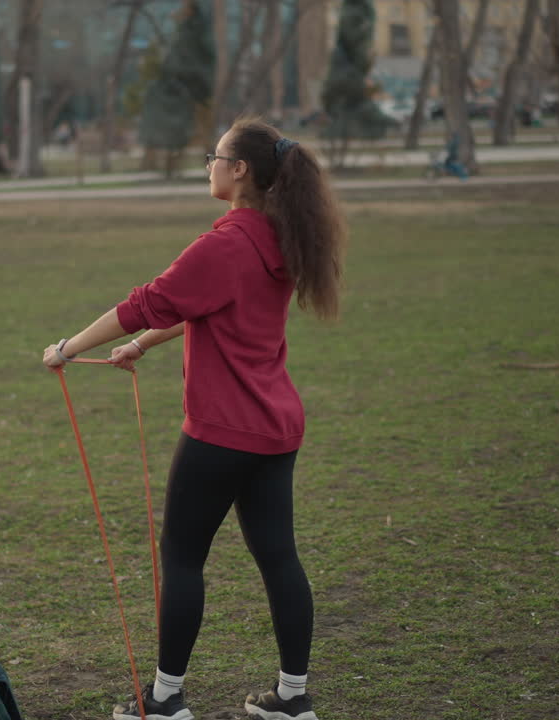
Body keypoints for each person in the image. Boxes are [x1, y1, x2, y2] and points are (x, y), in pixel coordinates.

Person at [41, 116, 346, 720]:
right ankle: (292, 699)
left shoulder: (226, 243)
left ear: (239, 171)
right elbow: (199, 309)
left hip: (222, 433)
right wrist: (143, 347)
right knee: (279, 557)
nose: (208, 164)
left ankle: (164, 699)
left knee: (182, 557)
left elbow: (145, 302)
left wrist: (68, 348)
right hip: (274, 429)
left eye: (216, 156)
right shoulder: (273, 238)